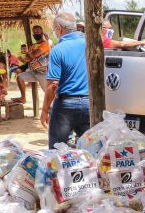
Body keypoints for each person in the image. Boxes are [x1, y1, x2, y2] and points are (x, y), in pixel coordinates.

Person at [41, 12, 89, 148]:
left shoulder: (58, 50)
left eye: (54, 29)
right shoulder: (89, 44)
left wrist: (45, 110)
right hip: (89, 103)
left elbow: (53, 85)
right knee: (90, 150)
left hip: (66, 105)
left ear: (59, 28)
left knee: (57, 150)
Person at [15, 25, 50, 104]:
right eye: (34, 32)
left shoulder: (45, 44)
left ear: (42, 32)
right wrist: (31, 54)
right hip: (34, 71)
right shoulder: (33, 45)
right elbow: (27, 58)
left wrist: (30, 54)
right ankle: (23, 98)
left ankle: (53, 110)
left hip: (43, 73)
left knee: (48, 93)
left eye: (37, 31)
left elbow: (33, 55)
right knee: (19, 78)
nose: (35, 33)